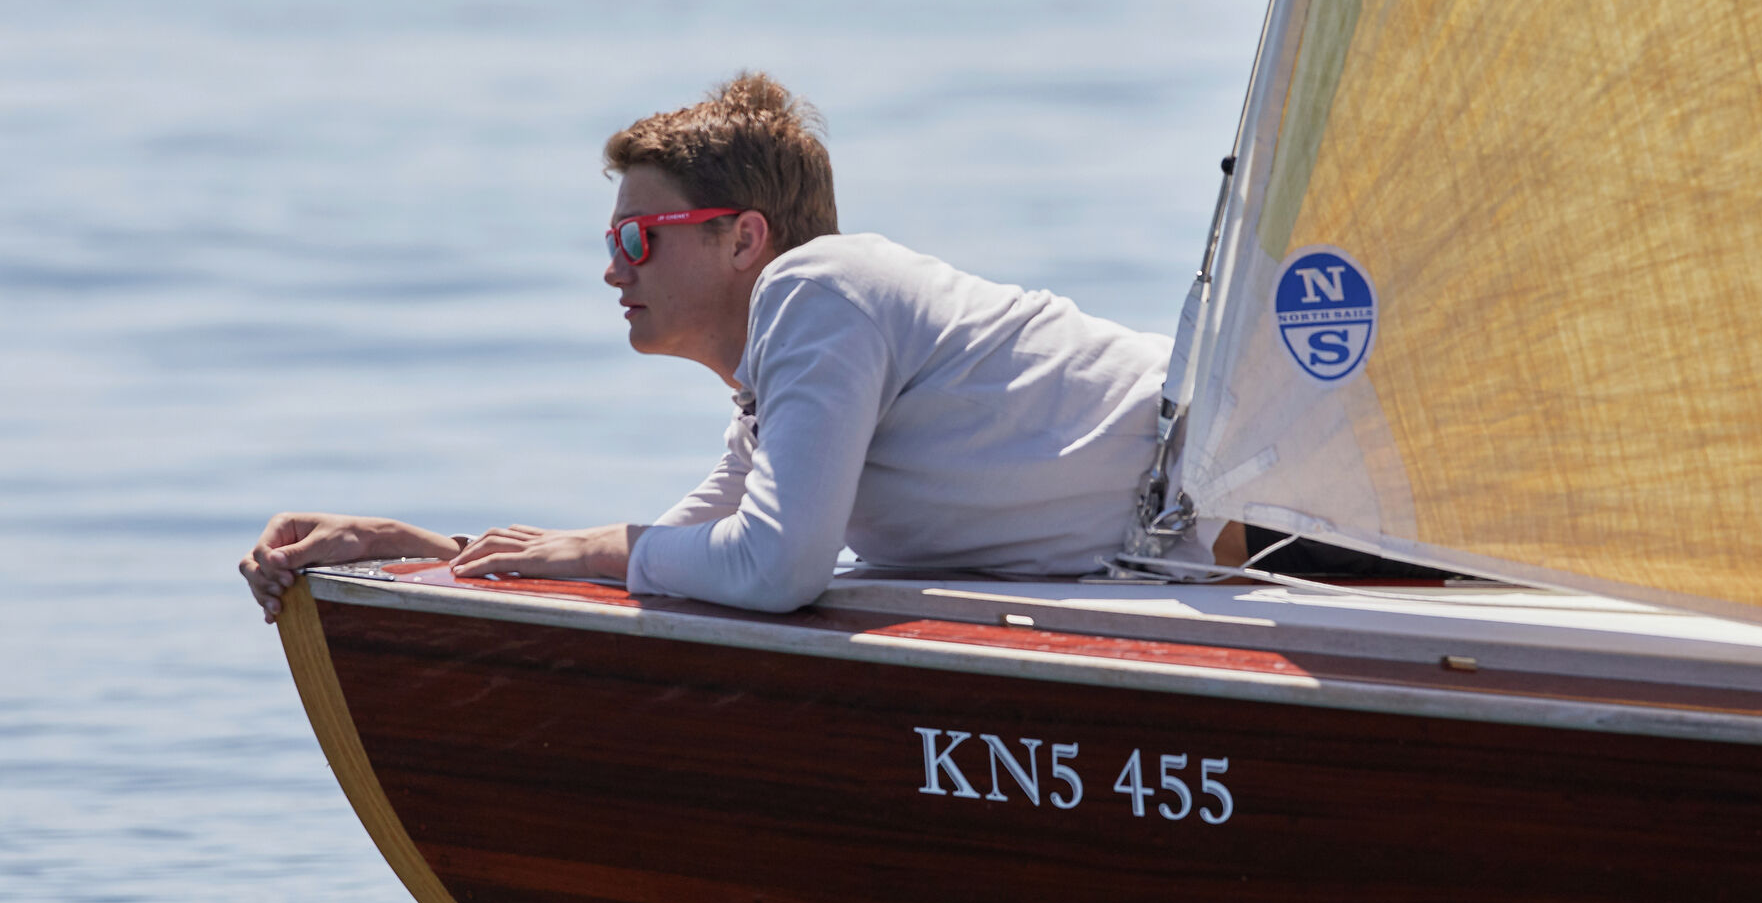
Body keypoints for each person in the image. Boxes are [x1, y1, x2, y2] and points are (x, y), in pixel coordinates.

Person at [239, 73, 1176, 623]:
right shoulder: (784, 384)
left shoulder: (821, 287)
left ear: (744, 239)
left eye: (639, 236)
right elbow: (679, 556)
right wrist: (414, 550)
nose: (614, 268)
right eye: (613, 240)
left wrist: (603, 547)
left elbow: (772, 568)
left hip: (1251, 485)